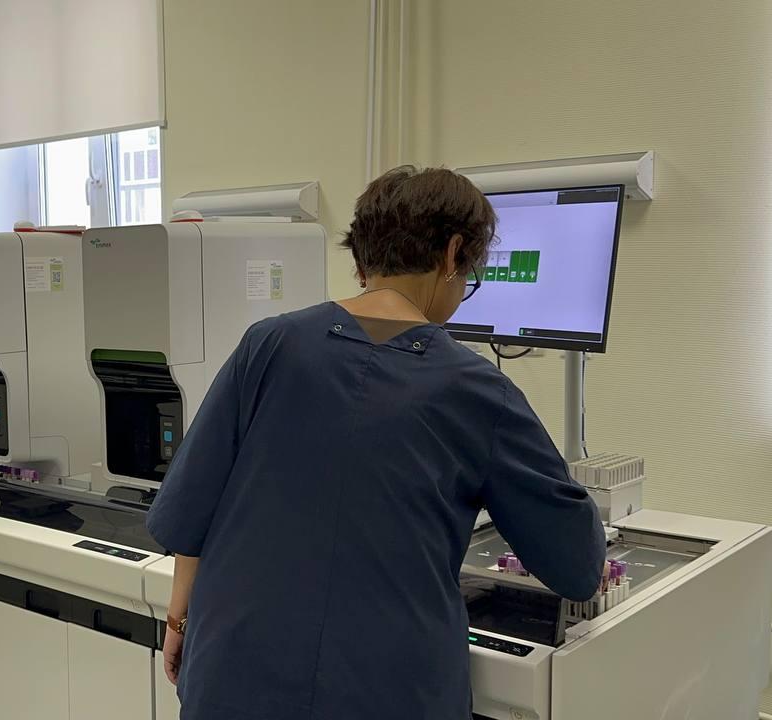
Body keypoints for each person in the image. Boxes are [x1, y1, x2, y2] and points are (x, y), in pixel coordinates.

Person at [146, 167, 606, 720]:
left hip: (232, 676)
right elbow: (577, 567)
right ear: (453, 253)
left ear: (364, 258)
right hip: (386, 690)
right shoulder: (478, 390)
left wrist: (180, 620)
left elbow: (194, 505)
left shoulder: (268, 344)